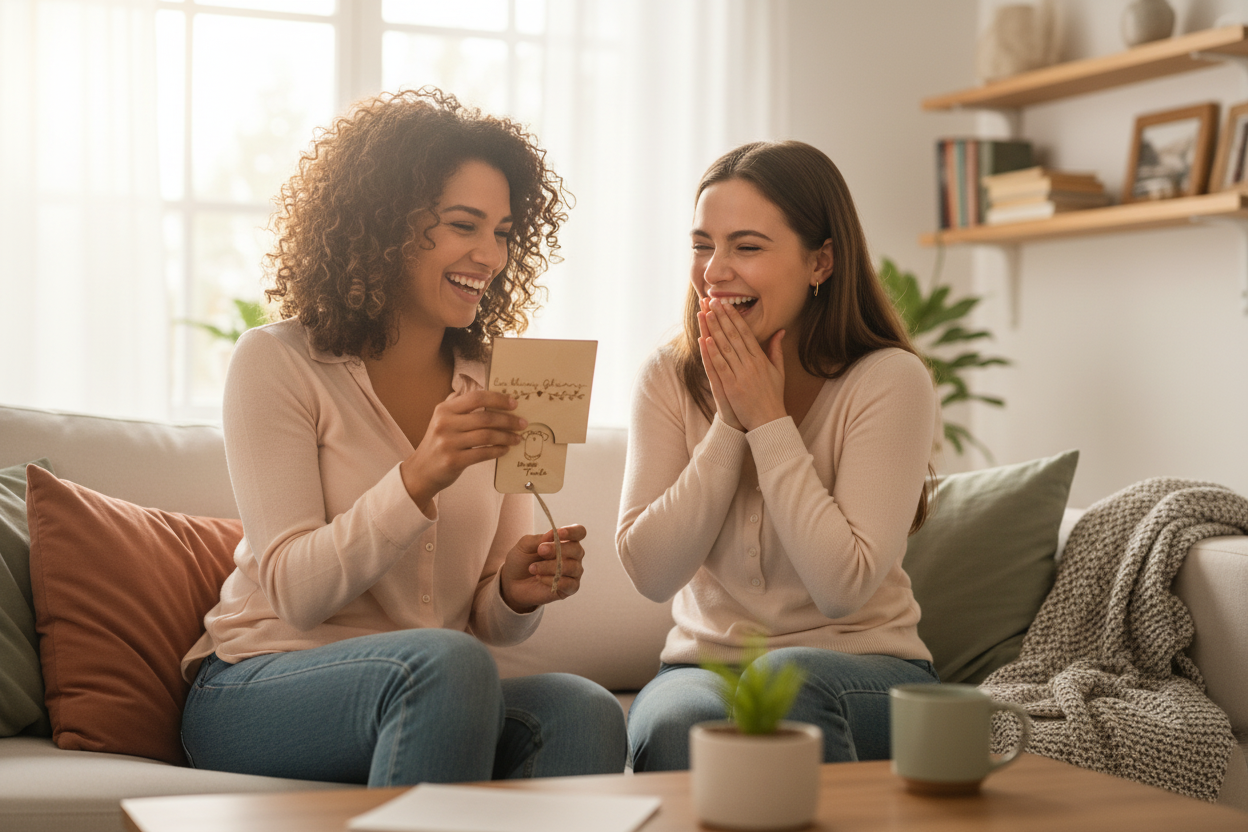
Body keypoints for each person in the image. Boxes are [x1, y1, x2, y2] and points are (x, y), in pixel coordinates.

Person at [180, 88, 627, 786]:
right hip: (258, 684)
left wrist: (514, 591)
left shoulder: (493, 381)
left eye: (505, 232)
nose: (490, 254)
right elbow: (297, 594)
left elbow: (482, 617)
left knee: (585, 711)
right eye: (463, 225)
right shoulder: (279, 363)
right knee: (447, 665)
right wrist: (418, 477)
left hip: (437, 682)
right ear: (382, 224)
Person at [617, 140, 941, 772]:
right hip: (703, 667)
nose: (714, 270)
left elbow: (842, 588)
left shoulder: (889, 380)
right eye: (702, 244)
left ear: (820, 261)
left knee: (796, 681)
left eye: (746, 246)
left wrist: (769, 422)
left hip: (863, 669)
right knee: (675, 726)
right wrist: (728, 426)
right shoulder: (668, 375)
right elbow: (651, 573)